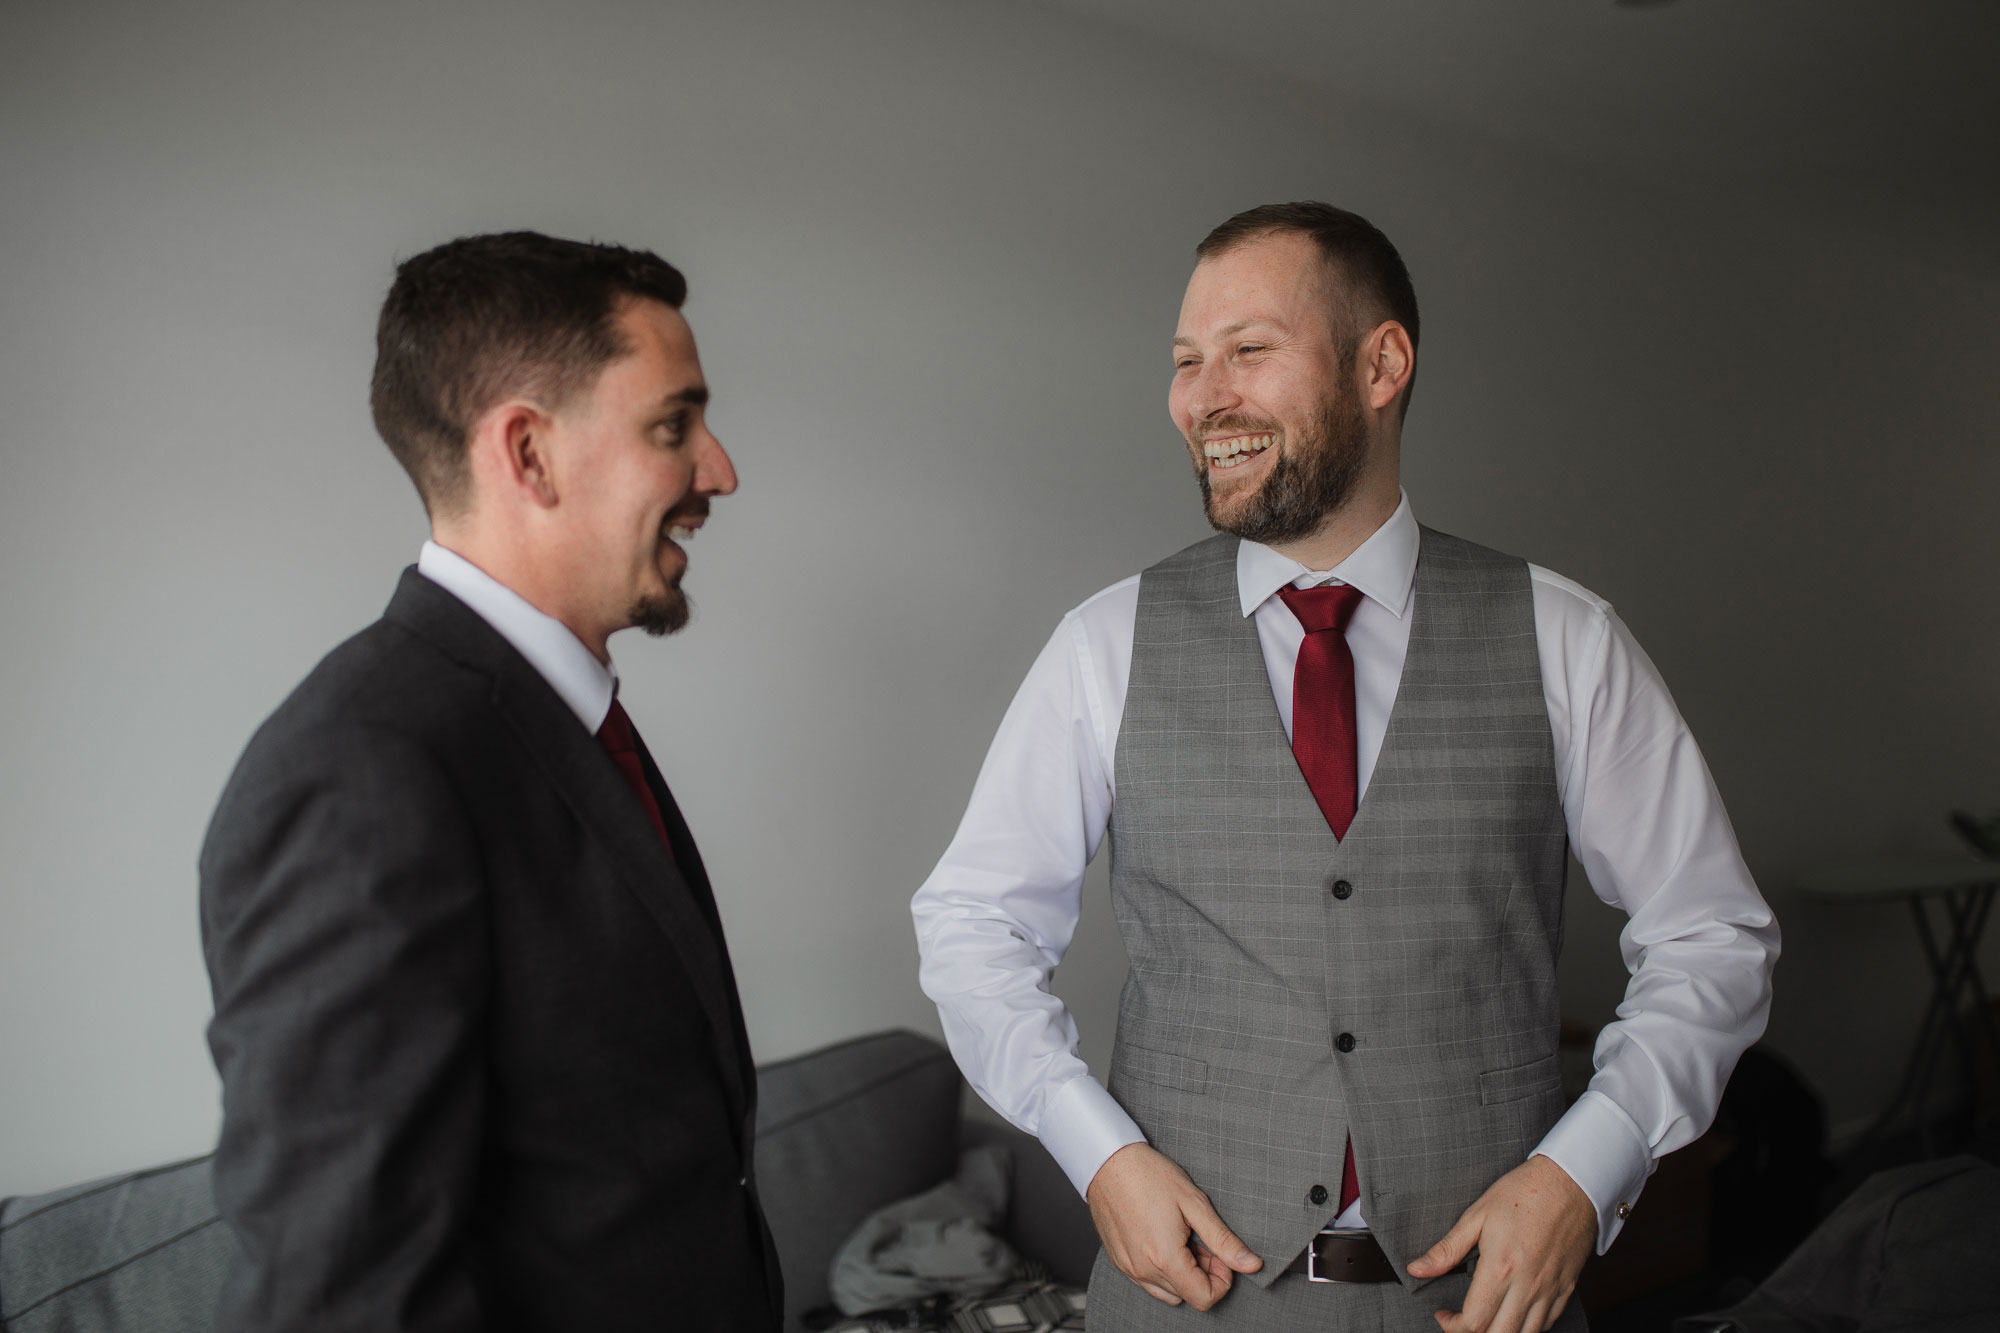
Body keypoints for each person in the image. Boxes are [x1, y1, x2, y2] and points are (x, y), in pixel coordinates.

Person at [911, 202, 1779, 1333]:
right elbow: (972, 923)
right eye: (1184, 362)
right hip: (1188, 1302)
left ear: (1380, 362)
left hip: (1483, 1307)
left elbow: (1709, 933)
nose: (1200, 396)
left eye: (1247, 350)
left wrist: (1587, 1167)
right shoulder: (1104, 642)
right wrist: (1100, 1155)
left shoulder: (1565, 637)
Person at [199, 232, 780, 1331]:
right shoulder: (358, 771)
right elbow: (343, 1296)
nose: (719, 470)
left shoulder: (561, 715)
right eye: (674, 424)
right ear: (527, 453)